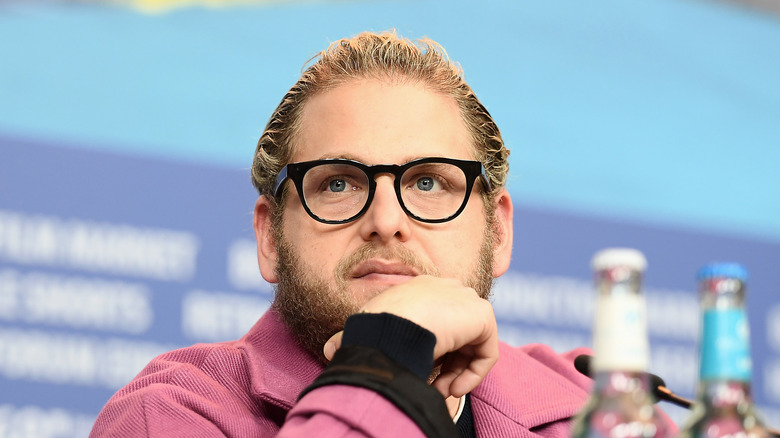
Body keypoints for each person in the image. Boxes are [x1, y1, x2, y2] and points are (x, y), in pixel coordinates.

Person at [90, 30, 596, 437]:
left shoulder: (596, 409)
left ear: (499, 232)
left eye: (428, 182)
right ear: (270, 239)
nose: (386, 221)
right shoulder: (168, 416)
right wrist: (385, 360)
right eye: (338, 183)